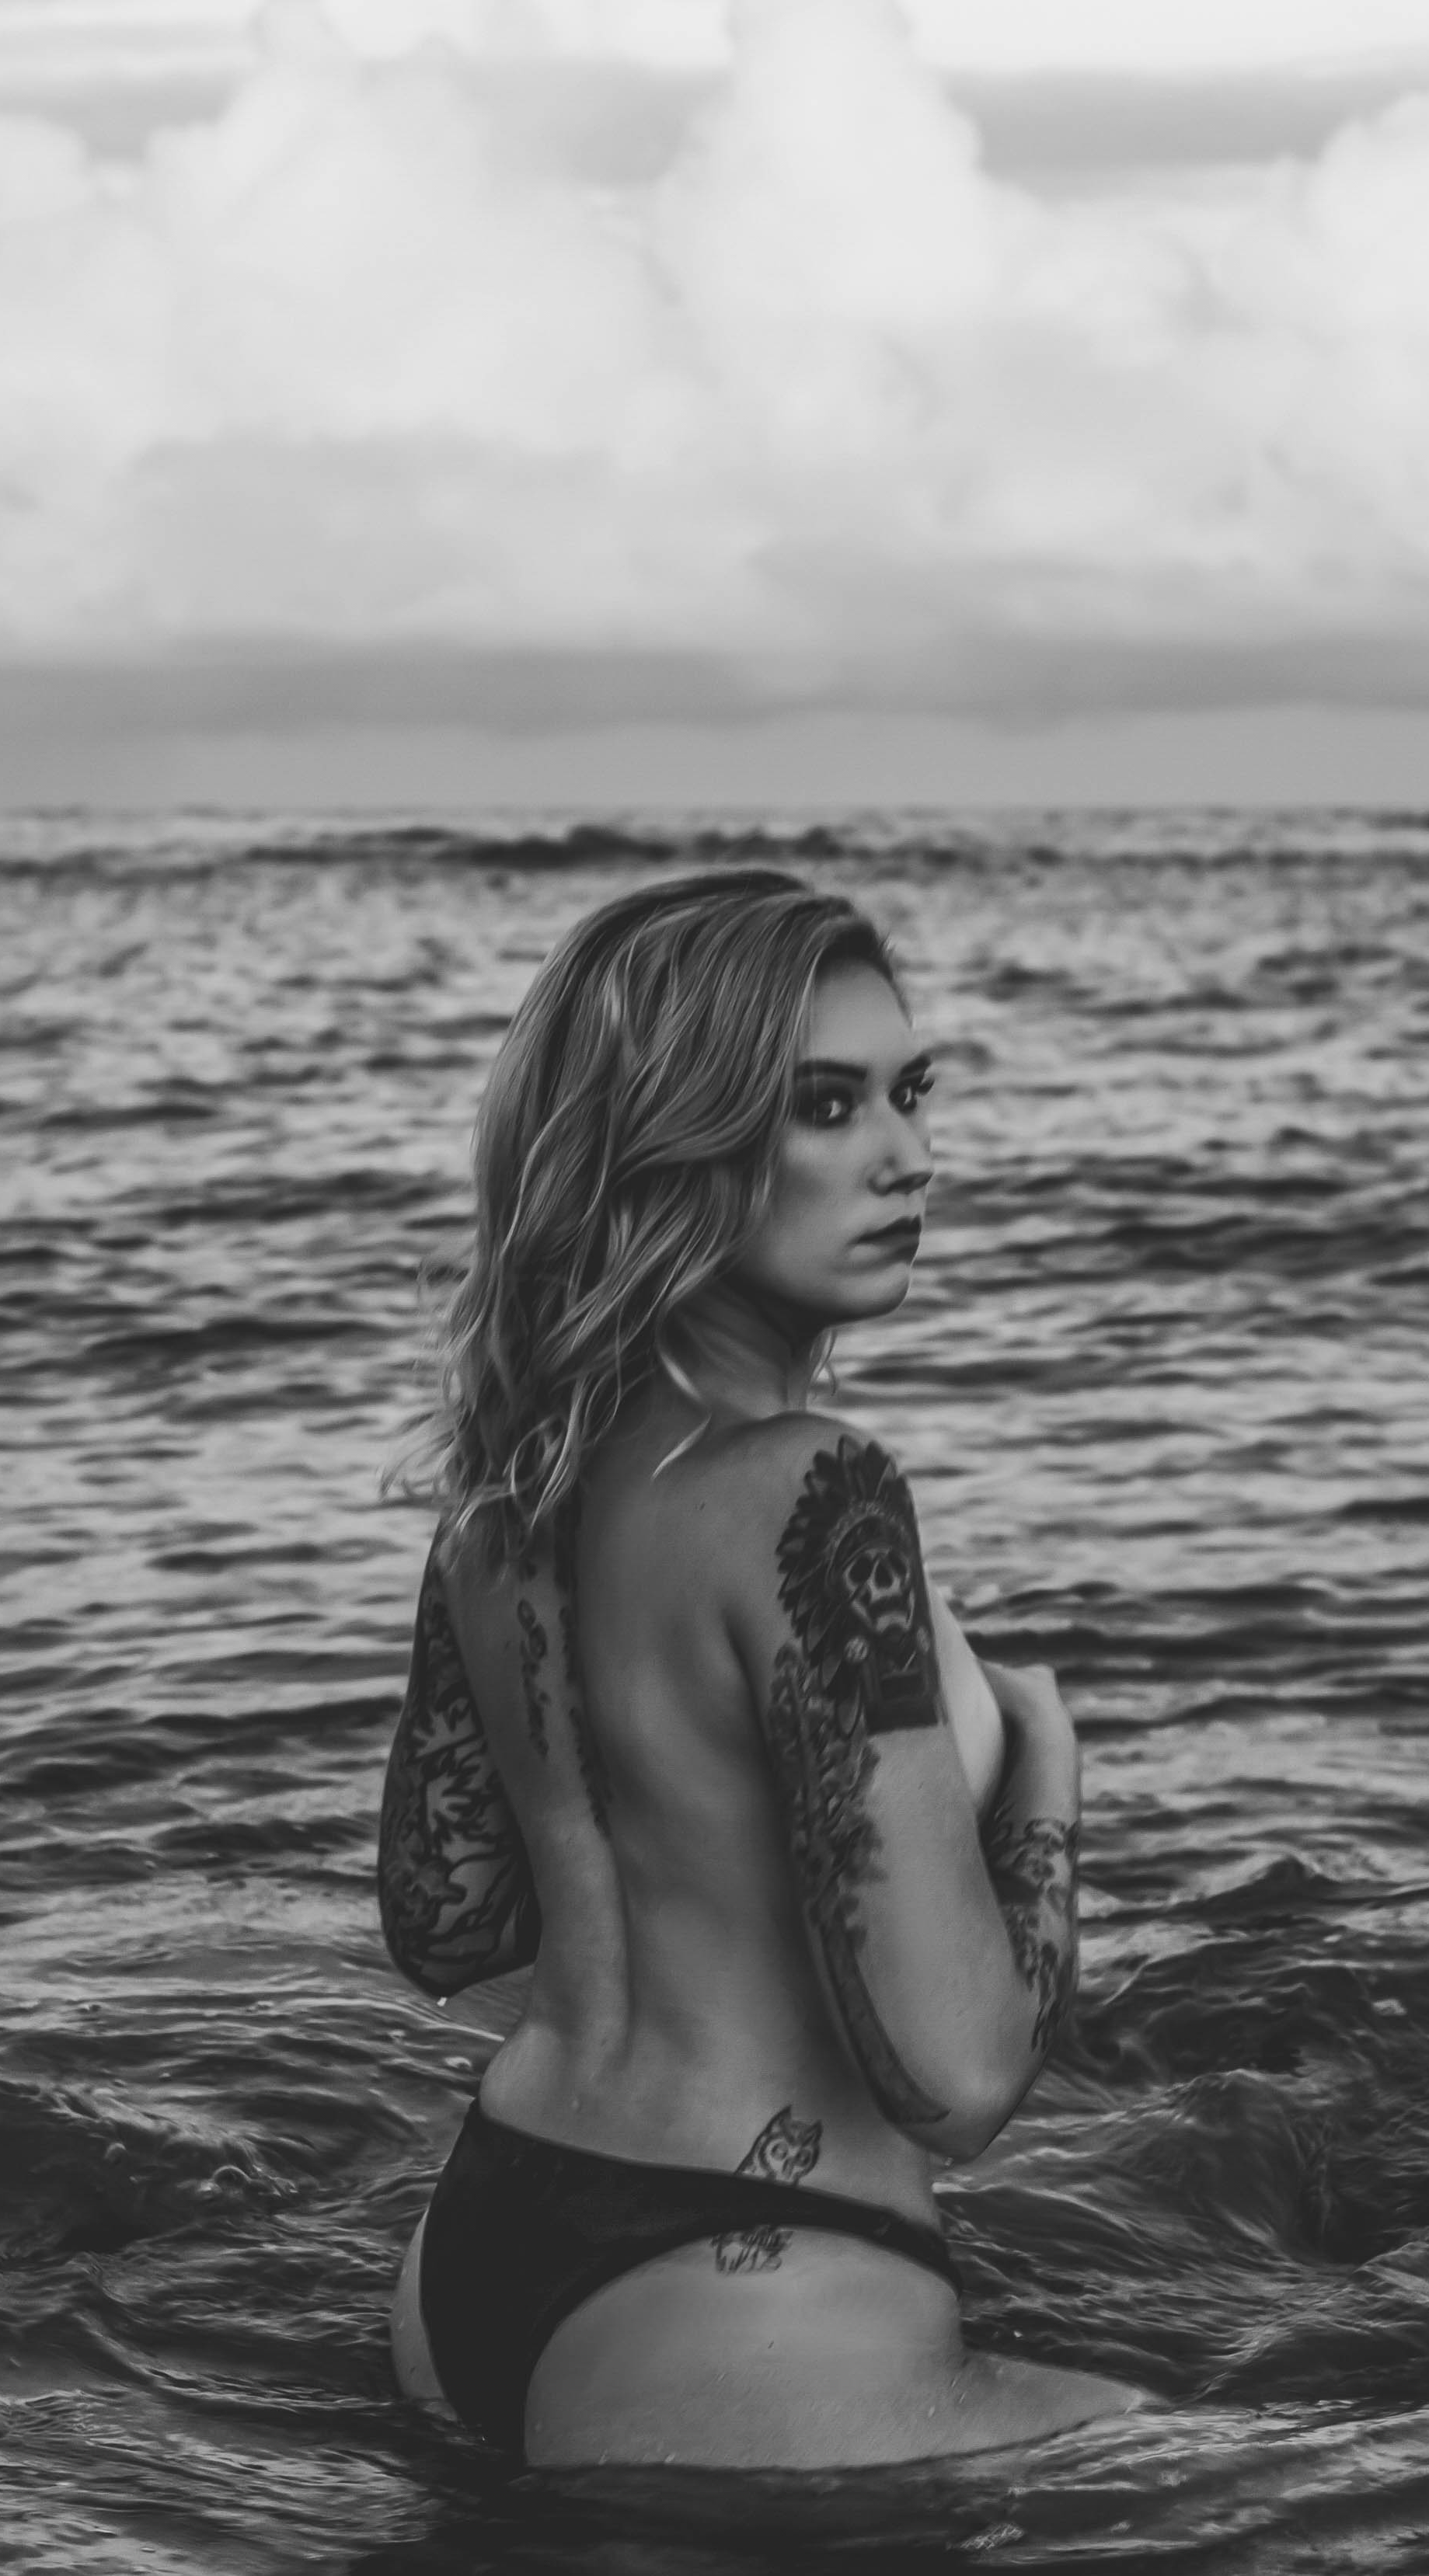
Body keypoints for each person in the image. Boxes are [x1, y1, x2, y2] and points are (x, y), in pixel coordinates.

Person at [374, 869, 1148, 2469]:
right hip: (749, 2297)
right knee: (1424, 2507)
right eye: (825, 1106)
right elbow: (956, 2080)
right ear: (675, 1141)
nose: (907, 1156)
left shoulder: (501, 1510)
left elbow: (445, 1920)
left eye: (912, 1093)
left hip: (475, 2254)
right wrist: (1044, 1780)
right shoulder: (813, 1485)